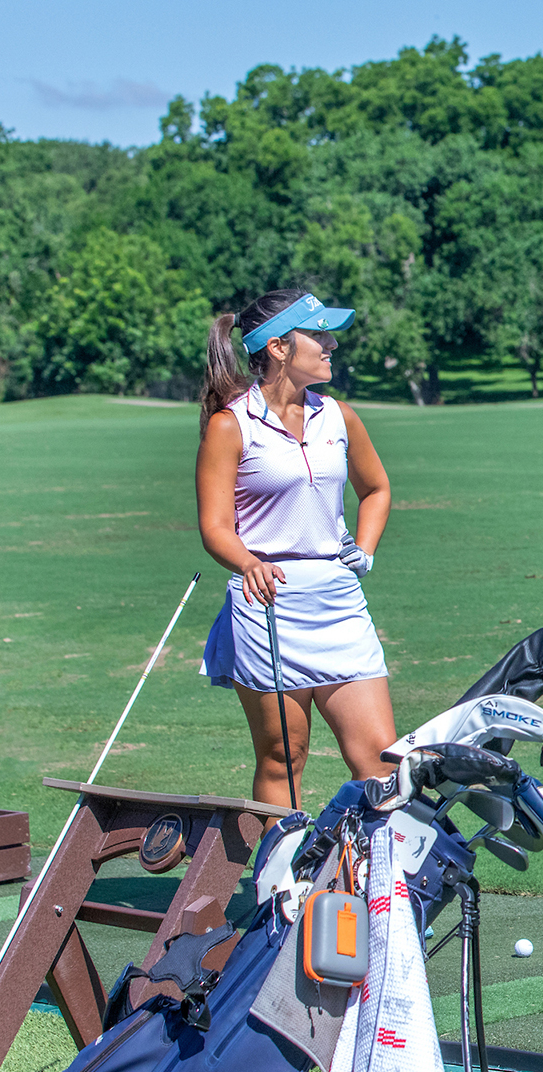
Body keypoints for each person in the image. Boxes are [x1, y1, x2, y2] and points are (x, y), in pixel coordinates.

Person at [195, 289, 395, 812]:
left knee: (380, 759)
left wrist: (364, 549)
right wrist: (247, 562)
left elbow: (376, 489)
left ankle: (374, 862)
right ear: (279, 347)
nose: (331, 345)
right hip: (268, 606)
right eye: (319, 335)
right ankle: (278, 864)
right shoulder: (230, 425)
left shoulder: (340, 416)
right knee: (284, 756)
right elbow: (215, 527)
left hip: (338, 601)